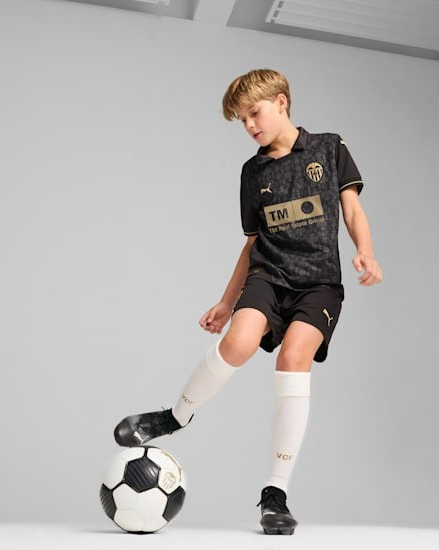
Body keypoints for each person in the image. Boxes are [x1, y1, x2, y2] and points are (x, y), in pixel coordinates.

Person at [114, 69, 382, 535]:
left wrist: (366, 251)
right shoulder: (253, 172)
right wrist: (226, 302)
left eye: (253, 113)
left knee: (293, 360)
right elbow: (252, 243)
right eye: (241, 120)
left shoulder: (329, 148)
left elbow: (353, 208)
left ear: (281, 102)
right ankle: (175, 416)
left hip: (319, 284)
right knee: (236, 343)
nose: (249, 126)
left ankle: (275, 492)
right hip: (269, 276)